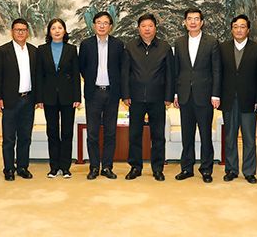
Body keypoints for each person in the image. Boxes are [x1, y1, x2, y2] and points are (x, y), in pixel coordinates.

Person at [122, 13, 174, 181]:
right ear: (138, 28)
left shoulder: (164, 47)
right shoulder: (130, 47)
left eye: (150, 26)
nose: (147, 29)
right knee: (134, 135)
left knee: (158, 136)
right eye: (143, 26)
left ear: (155, 28)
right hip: (135, 98)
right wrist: (126, 94)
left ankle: (157, 168)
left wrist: (168, 96)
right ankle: (135, 167)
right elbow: (125, 73)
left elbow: (170, 74)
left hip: (158, 98)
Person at [174, 8, 222, 183]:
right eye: (189, 19)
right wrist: (176, 93)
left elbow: (216, 70)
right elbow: (177, 70)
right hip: (185, 95)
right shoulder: (179, 42)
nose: (193, 22)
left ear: (202, 22)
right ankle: (187, 168)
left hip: (205, 96)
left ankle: (206, 169)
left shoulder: (212, 42)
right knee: (187, 135)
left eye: (196, 19)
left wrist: (215, 94)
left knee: (205, 135)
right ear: (185, 22)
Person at [219, 15, 257, 184]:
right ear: (232, 29)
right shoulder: (223, 47)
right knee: (230, 137)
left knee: (249, 138)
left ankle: (249, 171)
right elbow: (218, 74)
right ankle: (231, 169)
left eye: (242, 26)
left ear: (248, 30)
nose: (239, 30)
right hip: (228, 99)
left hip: (249, 100)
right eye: (236, 27)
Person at [79, 11, 125, 180]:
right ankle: (93, 167)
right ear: (94, 25)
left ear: (110, 26)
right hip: (93, 93)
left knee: (110, 133)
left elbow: (122, 68)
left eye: (105, 23)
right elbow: (82, 68)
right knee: (92, 133)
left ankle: (107, 167)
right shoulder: (86, 44)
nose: (102, 25)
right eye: (99, 22)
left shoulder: (118, 44)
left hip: (112, 93)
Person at [36, 18, 81, 178]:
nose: (57, 31)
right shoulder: (41, 50)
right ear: (49, 32)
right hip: (48, 97)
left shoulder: (71, 49)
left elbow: (76, 75)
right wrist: (39, 98)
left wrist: (77, 97)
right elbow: (39, 76)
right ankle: (54, 167)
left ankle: (66, 167)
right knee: (52, 132)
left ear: (64, 31)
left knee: (67, 132)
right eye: (53, 28)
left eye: (60, 28)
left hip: (68, 97)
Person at [0, 19, 38, 181]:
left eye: (23, 30)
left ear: (28, 32)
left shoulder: (34, 51)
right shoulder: (2, 51)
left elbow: (38, 77)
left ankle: (22, 167)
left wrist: (38, 98)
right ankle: (9, 169)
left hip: (28, 99)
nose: (20, 32)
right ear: (12, 31)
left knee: (25, 136)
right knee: (9, 138)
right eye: (17, 30)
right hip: (9, 100)